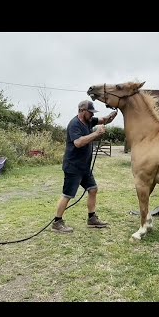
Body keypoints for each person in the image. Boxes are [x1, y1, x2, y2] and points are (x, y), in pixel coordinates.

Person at [52, 100, 118, 233]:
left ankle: (91, 218)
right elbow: (78, 142)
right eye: (90, 112)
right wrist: (96, 134)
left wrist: (113, 113)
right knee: (68, 195)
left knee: (93, 189)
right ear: (82, 111)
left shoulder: (90, 120)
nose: (92, 115)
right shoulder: (74, 124)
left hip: (84, 167)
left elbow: (105, 119)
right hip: (73, 166)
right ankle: (57, 222)